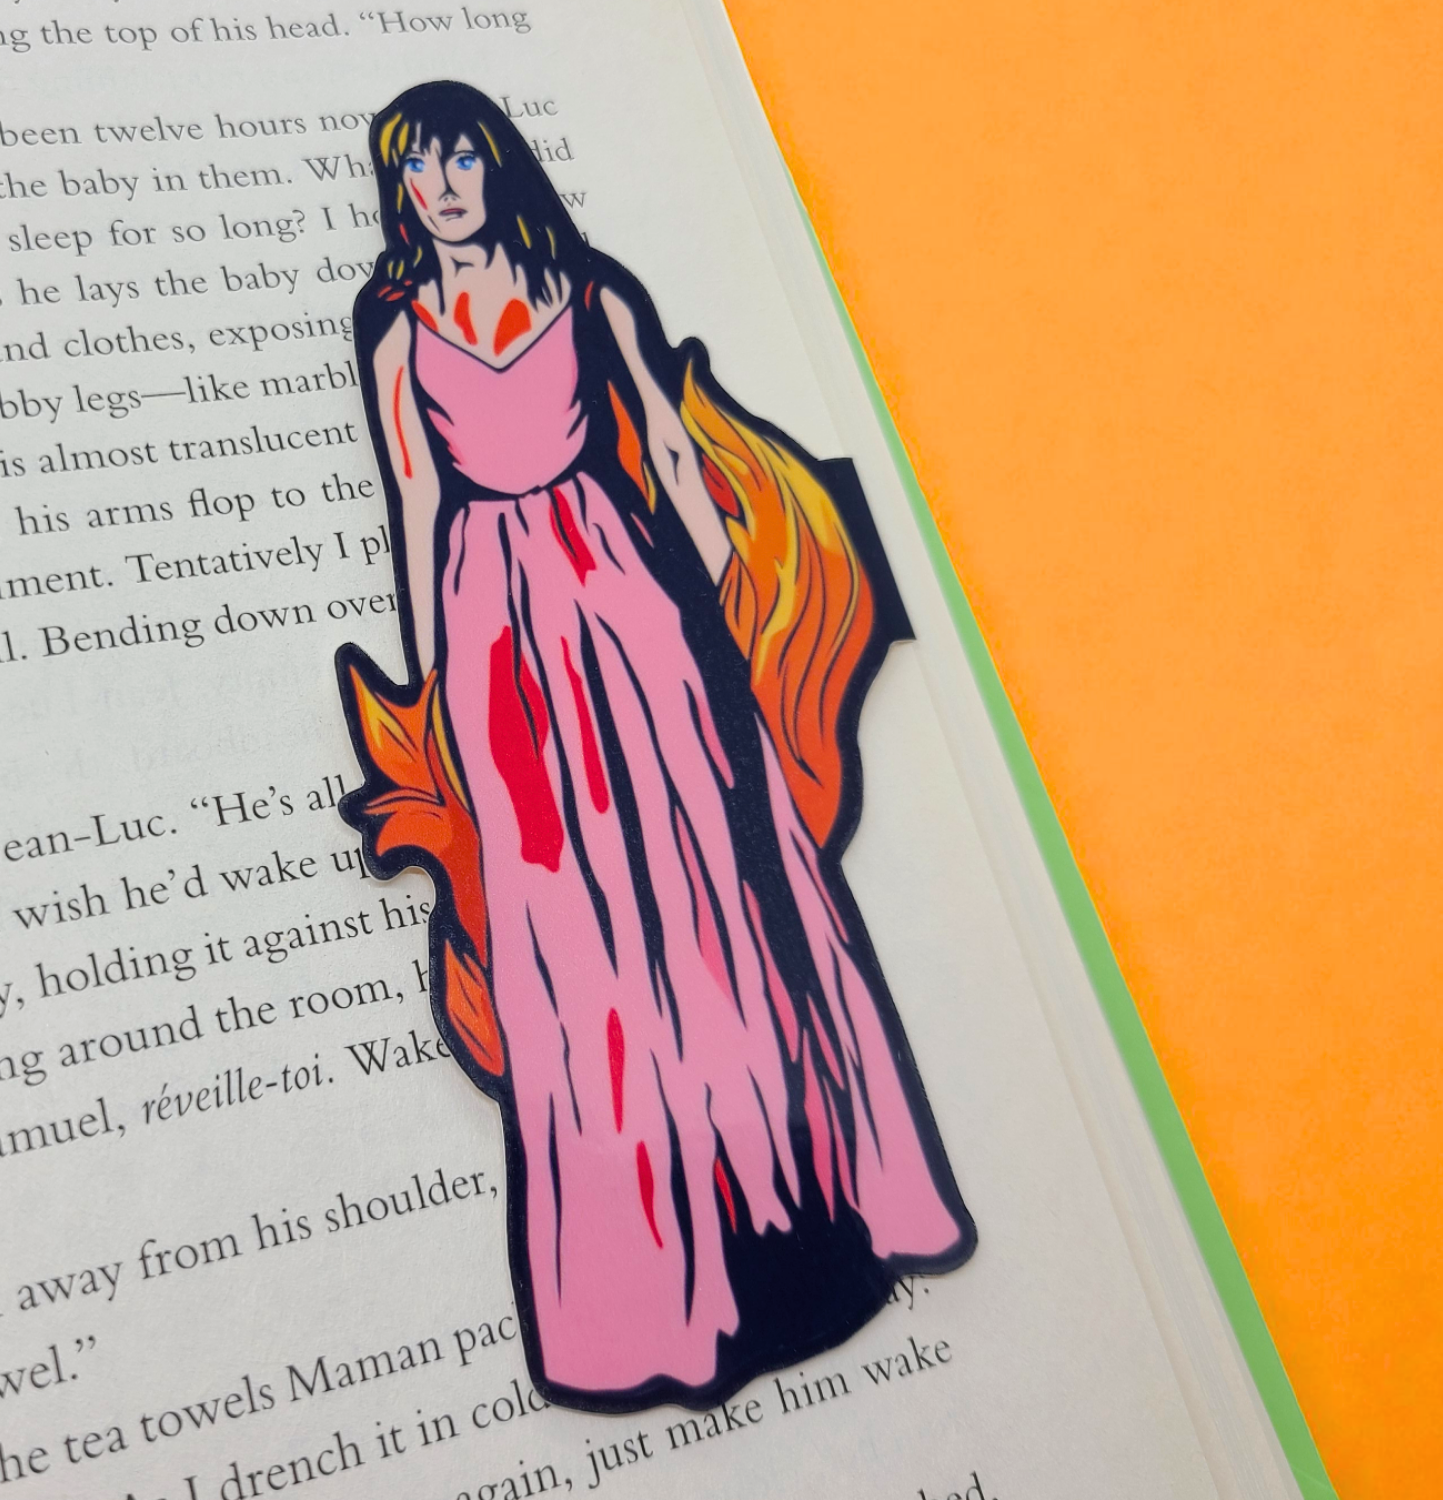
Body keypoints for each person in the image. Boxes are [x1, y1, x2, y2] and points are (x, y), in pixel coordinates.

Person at [335, 80, 974, 1414]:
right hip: (496, 624)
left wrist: (728, 601)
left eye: (460, 159)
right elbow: (416, 501)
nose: (441, 187)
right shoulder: (396, 330)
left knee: (711, 884)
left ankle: (802, 1211)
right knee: (566, 919)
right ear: (399, 193)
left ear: (498, 166)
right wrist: (436, 688)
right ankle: (649, 1279)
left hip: (627, 590)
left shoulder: (588, 291)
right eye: (417, 170)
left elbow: (675, 455)